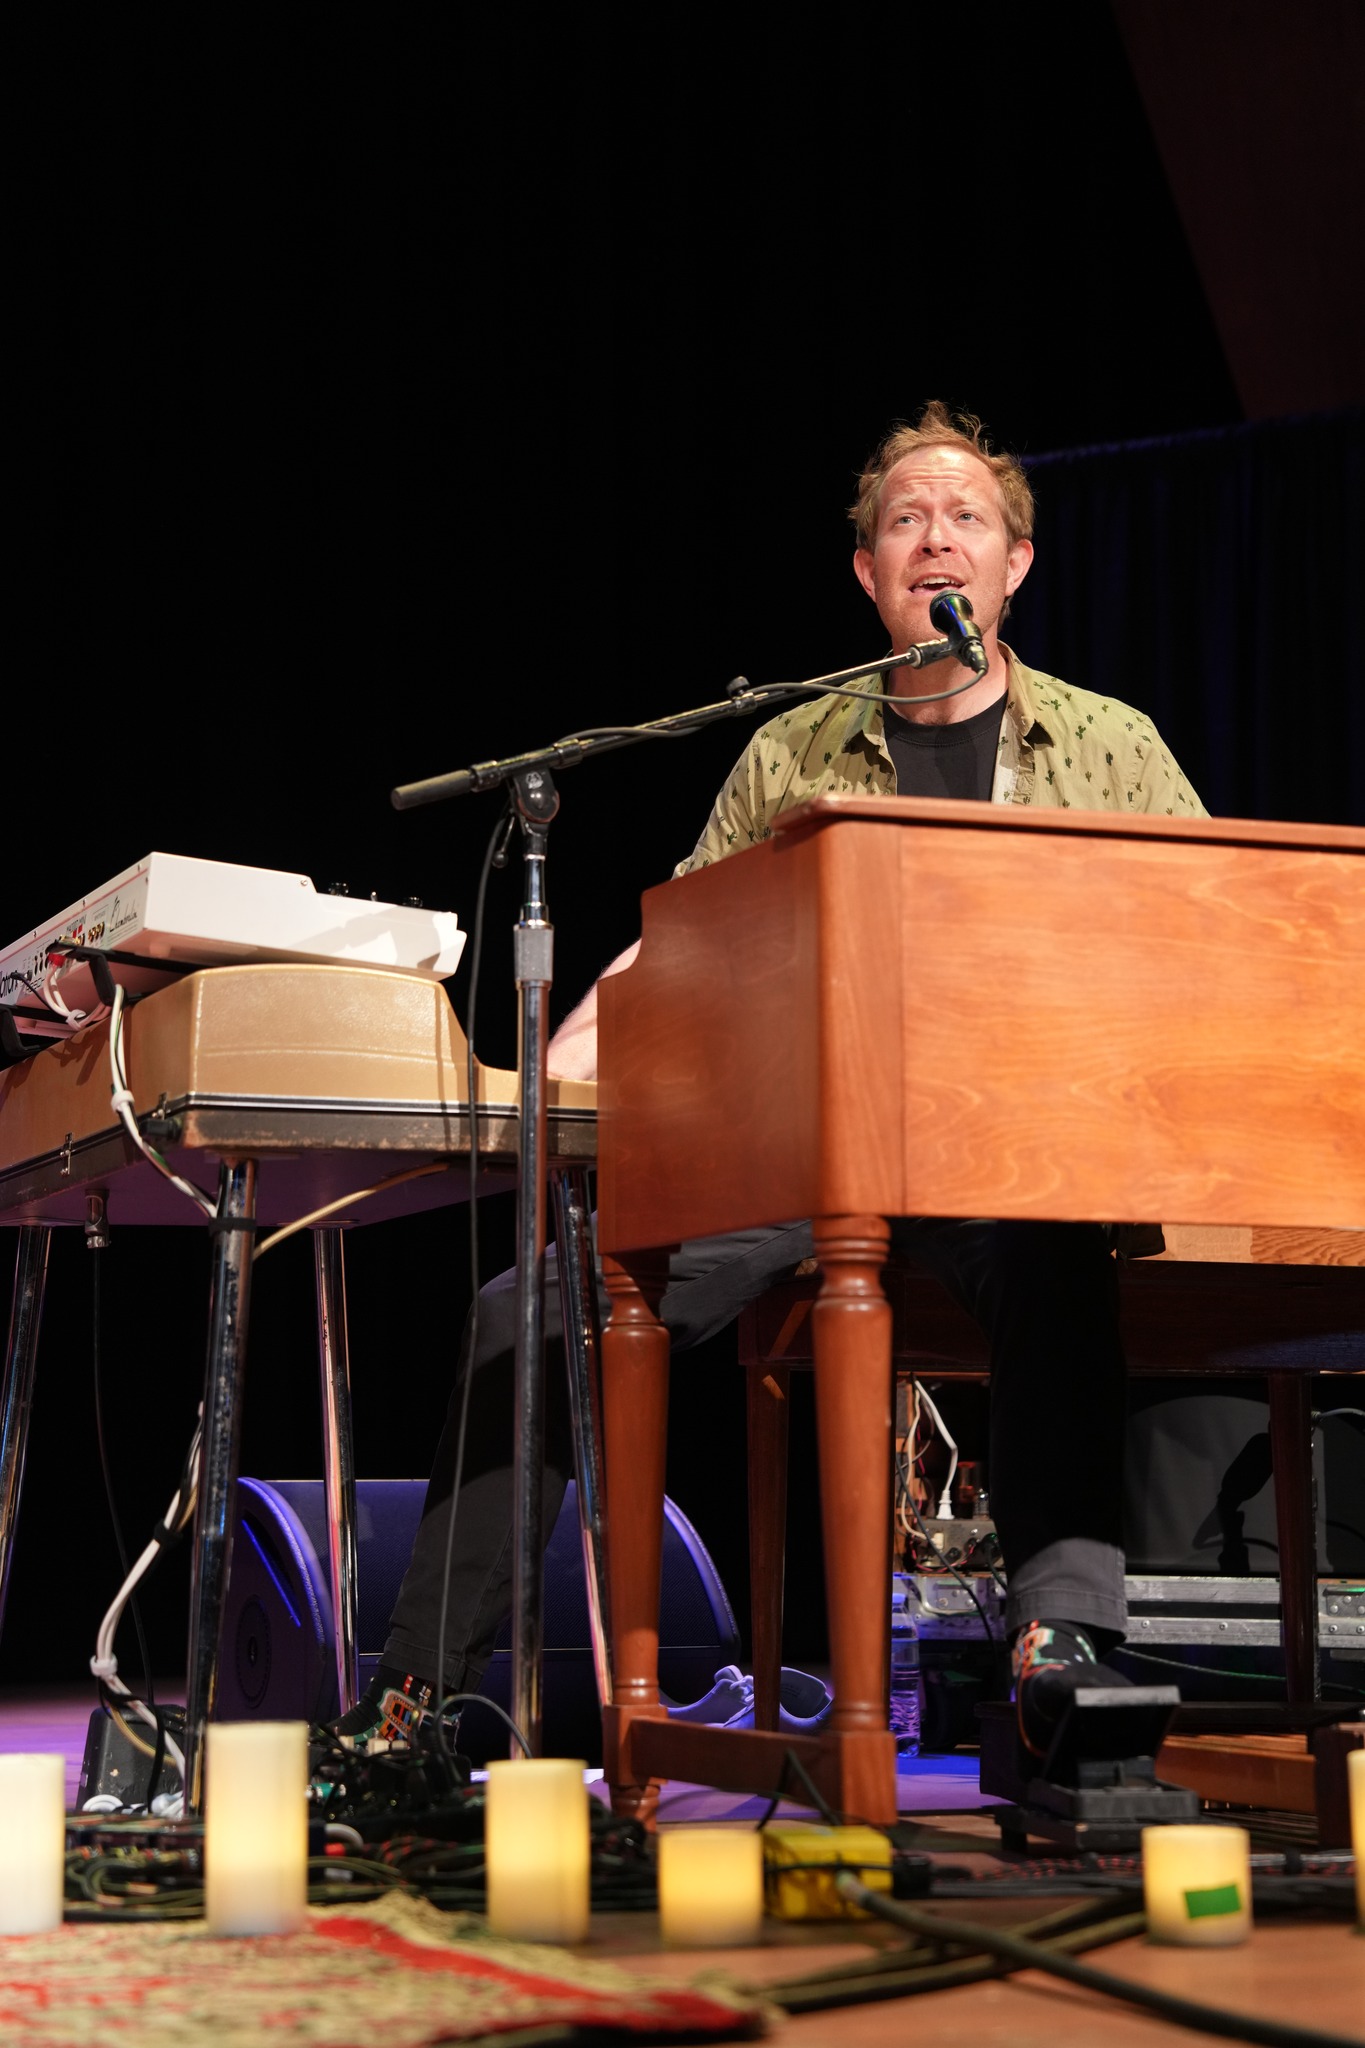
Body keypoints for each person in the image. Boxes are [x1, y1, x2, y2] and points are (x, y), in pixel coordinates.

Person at [337, 401, 1207, 1764]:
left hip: (1004, 1153)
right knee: (531, 1301)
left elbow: (1207, 934)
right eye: (903, 521)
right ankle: (419, 1703)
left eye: (964, 516)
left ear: (1014, 564)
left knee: (1057, 1251)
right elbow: (686, 943)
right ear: (867, 572)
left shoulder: (1110, 748)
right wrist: (574, 1045)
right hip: (800, 1157)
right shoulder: (789, 748)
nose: (935, 537)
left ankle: (1061, 1646)